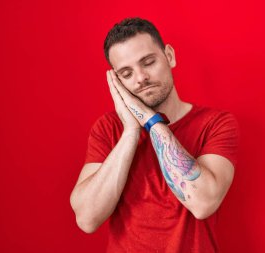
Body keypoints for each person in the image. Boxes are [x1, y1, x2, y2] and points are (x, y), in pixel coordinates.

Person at [70, 17, 240, 252]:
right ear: (116, 81)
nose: (140, 78)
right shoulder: (108, 128)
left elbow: (203, 203)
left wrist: (150, 120)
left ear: (169, 56)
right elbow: (87, 219)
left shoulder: (216, 123)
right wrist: (130, 131)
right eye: (127, 73)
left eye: (148, 62)